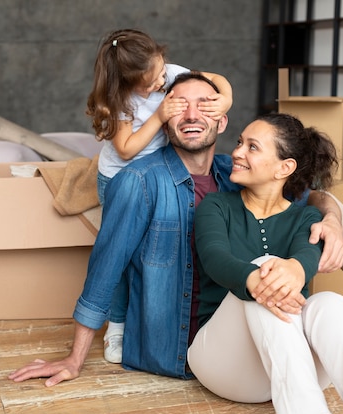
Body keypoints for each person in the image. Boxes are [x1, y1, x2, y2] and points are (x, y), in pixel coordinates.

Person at [8, 71, 343, 388]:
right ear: (164, 120)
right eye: (178, 105)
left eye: (204, 105)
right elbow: (105, 268)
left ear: (221, 123)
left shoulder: (233, 173)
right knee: (290, 295)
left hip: (261, 324)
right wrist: (74, 357)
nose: (191, 114)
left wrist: (331, 221)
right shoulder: (139, 181)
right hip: (192, 346)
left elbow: (309, 191)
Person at [189, 112, 343, 414]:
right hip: (225, 364)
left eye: (252, 147)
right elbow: (215, 258)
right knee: (267, 266)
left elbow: (306, 256)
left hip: (295, 368)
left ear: (284, 168)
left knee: (330, 302)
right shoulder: (216, 206)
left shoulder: (308, 219)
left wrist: (298, 268)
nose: (236, 152)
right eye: (239, 143)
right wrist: (255, 279)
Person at [86, 28, 233, 363]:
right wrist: (159, 115)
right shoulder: (121, 99)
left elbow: (218, 80)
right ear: (127, 83)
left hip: (162, 171)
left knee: (157, 246)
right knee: (122, 253)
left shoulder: (171, 73)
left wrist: (223, 99)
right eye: (151, 83)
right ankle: (117, 326)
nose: (160, 82)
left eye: (161, 71)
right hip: (121, 177)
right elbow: (125, 149)